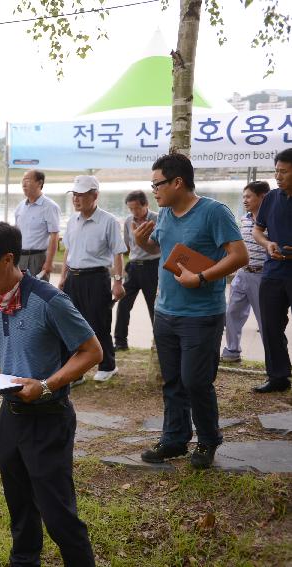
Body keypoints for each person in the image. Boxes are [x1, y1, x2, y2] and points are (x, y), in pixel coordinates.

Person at [0, 221, 101, 567]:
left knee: (57, 513)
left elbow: (92, 351)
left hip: (48, 419)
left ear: (7, 258)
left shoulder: (49, 300)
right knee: (20, 507)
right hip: (12, 419)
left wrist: (46, 385)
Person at [133, 153, 247, 469]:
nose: (153, 190)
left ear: (177, 182)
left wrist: (201, 277)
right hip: (165, 311)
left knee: (195, 381)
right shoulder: (166, 214)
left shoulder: (213, 212)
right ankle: (174, 439)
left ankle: (208, 441)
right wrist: (143, 241)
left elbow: (239, 256)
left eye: (157, 184)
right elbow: (163, 249)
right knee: (172, 381)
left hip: (201, 315)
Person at [58, 175, 127, 383]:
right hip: (73, 278)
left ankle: (108, 365)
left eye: (81, 195)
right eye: (74, 195)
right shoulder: (72, 221)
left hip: (97, 278)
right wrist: (63, 278)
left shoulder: (108, 221)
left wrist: (117, 281)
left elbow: (118, 253)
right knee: (70, 324)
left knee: (99, 323)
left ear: (94, 195)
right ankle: (76, 372)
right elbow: (69, 253)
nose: (76, 199)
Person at [252, 148, 292, 393]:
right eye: (276, 171)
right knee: (270, 326)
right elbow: (258, 230)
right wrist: (268, 244)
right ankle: (278, 376)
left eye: (284, 172)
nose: (278, 176)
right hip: (273, 272)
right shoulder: (271, 198)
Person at [221, 181, 270, 363]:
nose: (245, 200)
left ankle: (273, 360)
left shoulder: (272, 220)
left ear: (262, 197)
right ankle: (232, 352)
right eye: (243, 197)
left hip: (262, 276)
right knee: (232, 312)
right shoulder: (245, 218)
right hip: (242, 274)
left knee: (265, 320)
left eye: (249, 196)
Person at [113, 190, 160, 351]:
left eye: (137, 208)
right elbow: (126, 246)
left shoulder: (157, 219)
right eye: (131, 209)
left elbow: (160, 244)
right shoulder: (128, 221)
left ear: (146, 205)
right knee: (123, 305)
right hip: (133, 267)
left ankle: (160, 342)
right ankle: (120, 341)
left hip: (152, 267)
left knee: (154, 306)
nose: (134, 212)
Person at [14, 169, 61, 281]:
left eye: (28, 180)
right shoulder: (20, 207)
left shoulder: (50, 207)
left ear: (39, 183)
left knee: (37, 295)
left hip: (38, 258)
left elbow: (54, 236)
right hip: (20, 257)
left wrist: (49, 263)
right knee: (19, 293)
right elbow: (16, 233)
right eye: (23, 181)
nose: (24, 184)